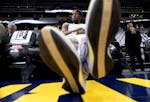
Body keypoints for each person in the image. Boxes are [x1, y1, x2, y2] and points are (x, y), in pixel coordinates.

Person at [39, 0, 120, 94]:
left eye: (75, 14)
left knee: (85, 43)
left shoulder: (87, 25)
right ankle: (94, 61)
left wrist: (106, 43)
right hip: (72, 41)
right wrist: (77, 29)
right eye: (72, 14)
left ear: (80, 16)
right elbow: (62, 34)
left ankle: (76, 79)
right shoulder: (67, 24)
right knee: (81, 48)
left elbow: (93, 35)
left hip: (86, 42)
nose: (73, 15)